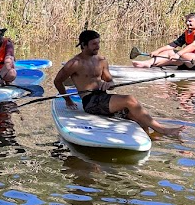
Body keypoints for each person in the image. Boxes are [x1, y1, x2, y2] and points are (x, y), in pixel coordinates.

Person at [54, 30, 183, 137]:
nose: (98, 47)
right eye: (94, 44)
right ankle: (162, 129)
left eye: (98, 43)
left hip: (103, 97)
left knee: (139, 118)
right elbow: (58, 81)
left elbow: (110, 80)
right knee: (130, 99)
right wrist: (68, 100)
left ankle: (150, 139)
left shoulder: (102, 60)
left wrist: (109, 84)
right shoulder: (74, 63)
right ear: (84, 45)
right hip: (90, 102)